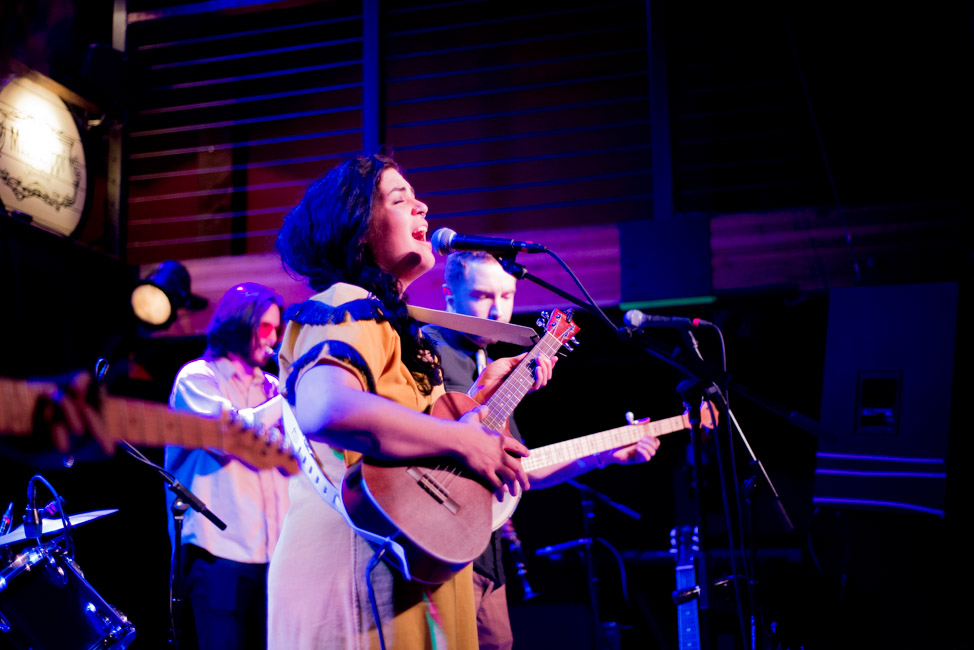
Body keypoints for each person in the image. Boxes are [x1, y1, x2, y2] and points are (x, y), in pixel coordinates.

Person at [267, 152, 554, 649]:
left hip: (405, 571)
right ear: (358, 228)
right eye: (401, 199)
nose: (422, 206)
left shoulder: (396, 328)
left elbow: (413, 438)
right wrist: (463, 441)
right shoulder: (343, 302)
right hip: (360, 576)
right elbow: (326, 408)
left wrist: (482, 401)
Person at [423, 250, 661, 650]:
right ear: (450, 295)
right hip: (437, 550)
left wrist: (602, 456)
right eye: (483, 295)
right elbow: (425, 447)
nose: (498, 310)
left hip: (487, 555)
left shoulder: (490, 358)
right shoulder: (428, 351)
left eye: (507, 295)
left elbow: (523, 469)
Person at [166, 282, 291, 650]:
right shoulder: (197, 378)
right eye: (264, 327)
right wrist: (287, 398)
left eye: (276, 328)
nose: (273, 338)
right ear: (238, 324)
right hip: (218, 552)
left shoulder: (273, 387)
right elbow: (228, 433)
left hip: (276, 554)